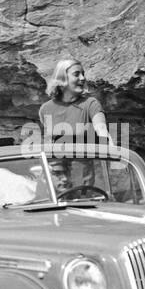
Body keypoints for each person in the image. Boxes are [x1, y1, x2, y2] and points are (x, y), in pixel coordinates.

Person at [38, 58, 112, 192]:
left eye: (83, 74)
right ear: (62, 78)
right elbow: (49, 144)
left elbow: (101, 128)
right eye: (77, 74)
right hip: (58, 177)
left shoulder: (90, 103)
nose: (83, 78)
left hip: (83, 177)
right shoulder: (45, 109)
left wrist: (106, 140)